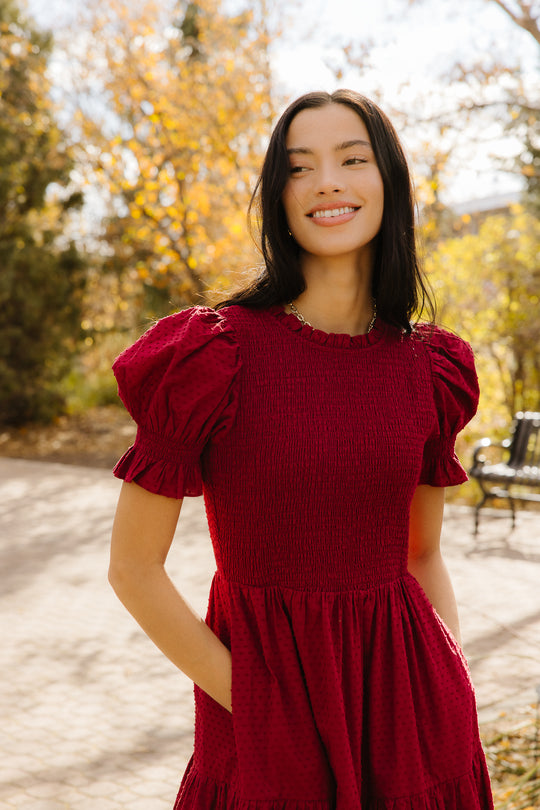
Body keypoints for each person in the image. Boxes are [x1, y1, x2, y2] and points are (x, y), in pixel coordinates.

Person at [109, 89, 494, 809]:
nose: (328, 181)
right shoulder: (211, 356)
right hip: (264, 727)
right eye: (299, 166)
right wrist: (258, 704)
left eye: (352, 159)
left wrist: (452, 673)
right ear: (277, 195)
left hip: (413, 724)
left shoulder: (430, 369)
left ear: (389, 182)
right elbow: (132, 570)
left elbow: (422, 553)